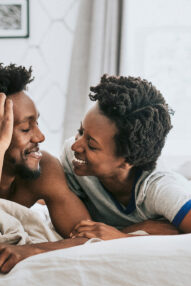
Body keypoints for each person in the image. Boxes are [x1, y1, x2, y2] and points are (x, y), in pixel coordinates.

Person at [0, 64, 176, 274]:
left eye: (36, 123)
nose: (40, 137)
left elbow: (86, 236)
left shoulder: (44, 169)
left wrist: (33, 250)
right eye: (26, 128)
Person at [60, 74, 191, 241]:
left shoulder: (160, 190)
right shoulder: (72, 157)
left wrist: (124, 237)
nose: (76, 145)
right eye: (81, 131)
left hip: (176, 187)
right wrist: (143, 228)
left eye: (91, 145)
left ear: (128, 160)